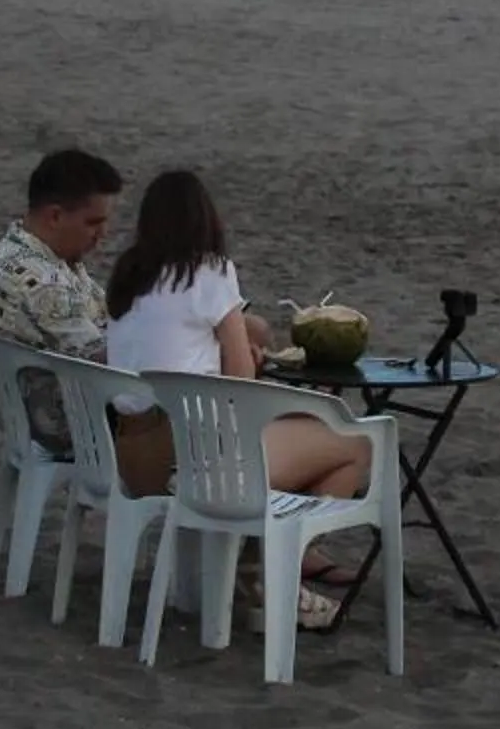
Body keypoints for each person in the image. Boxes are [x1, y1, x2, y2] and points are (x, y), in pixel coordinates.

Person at [102, 169, 371, 613]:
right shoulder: (209, 271)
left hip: (133, 459)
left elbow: (175, 349)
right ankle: (280, 570)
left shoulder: (128, 277)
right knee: (351, 443)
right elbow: (243, 384)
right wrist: (250, 357)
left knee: (292, 435)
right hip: (192, 461)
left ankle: (254, 566)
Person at [0, 149, 127, 453]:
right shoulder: (41, 282)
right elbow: (104, 363)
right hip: (75, 421)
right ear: (55, 216)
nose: (103, 234)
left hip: (51, 410)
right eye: (93, 222)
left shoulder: (22, 251)